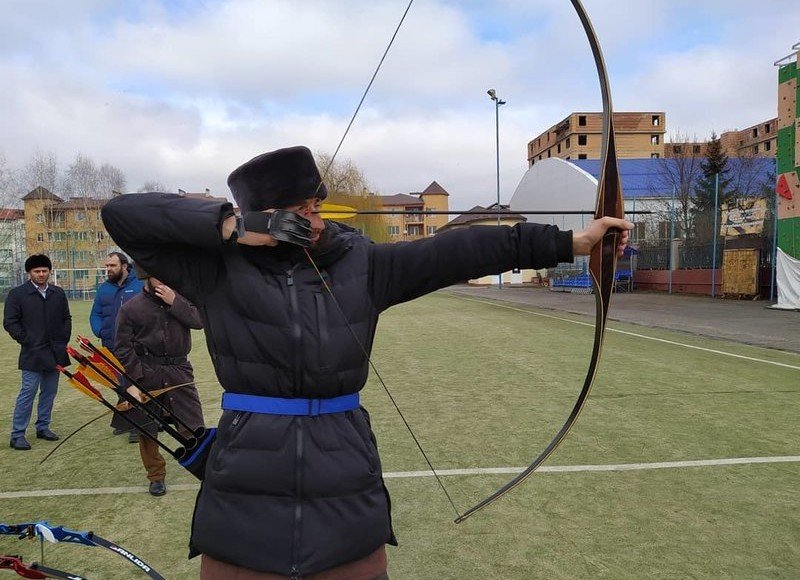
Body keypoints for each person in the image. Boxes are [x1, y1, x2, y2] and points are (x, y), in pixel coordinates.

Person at [102, 146, 633, 579]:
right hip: (245, 476)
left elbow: (461, 251)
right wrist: (230, 230)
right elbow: (122, 215)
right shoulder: (216, 269)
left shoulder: (362, 262)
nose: (313, 218)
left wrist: (570, 242)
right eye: (299, 210)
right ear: (264, 216)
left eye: (316, 205)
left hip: (345, 473)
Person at [113, 268, 205, 497]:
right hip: (147, 373)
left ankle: (206, 469)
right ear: (146, 277)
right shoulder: (130, 308)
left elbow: (199, 321)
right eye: (159, 276)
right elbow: (123, 348)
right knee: (147, 429)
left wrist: (175, 302)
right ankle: (156, 476)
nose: (165, 281)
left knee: (193, 425)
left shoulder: (182, 299)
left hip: (179, 371)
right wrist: (133, 382)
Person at [3, 254, 71, 451]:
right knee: (28, 392)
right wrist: (27, 340)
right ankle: (17, 434)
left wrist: (62, 339)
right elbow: (10, 322)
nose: (41, 274)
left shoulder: (57, 293)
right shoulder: (17, 294)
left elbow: (66, 318)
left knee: (49, 392)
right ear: (29, 273)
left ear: (49, 271)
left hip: (55, 351)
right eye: (37, 271)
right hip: (32, 353)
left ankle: (43, 426)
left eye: (44, 271)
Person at [90, 251, 144, 442]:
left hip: (133, 346)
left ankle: (138, 428)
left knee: (133, 384)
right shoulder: (104, 288)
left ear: (124, 266)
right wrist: (100, 331)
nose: (109, 269)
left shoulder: (139, 285)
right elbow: (95, 313)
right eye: (107, 266)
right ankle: (125, 421)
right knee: (118, 385)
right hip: (110, 346)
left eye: (112, 266)